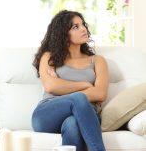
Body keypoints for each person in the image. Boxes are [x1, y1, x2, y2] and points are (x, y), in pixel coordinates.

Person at [32, 10, 108, 151]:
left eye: (83, 24)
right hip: (48, 113)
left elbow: (100, 94)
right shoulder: (49, 57)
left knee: (72, 124)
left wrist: (62, 86)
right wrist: (85, 85)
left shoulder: (97, 61)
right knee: (78, 98)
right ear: (63, 33)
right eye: (75, 27)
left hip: (86, 115)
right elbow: (50, 86)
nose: (83, 29)